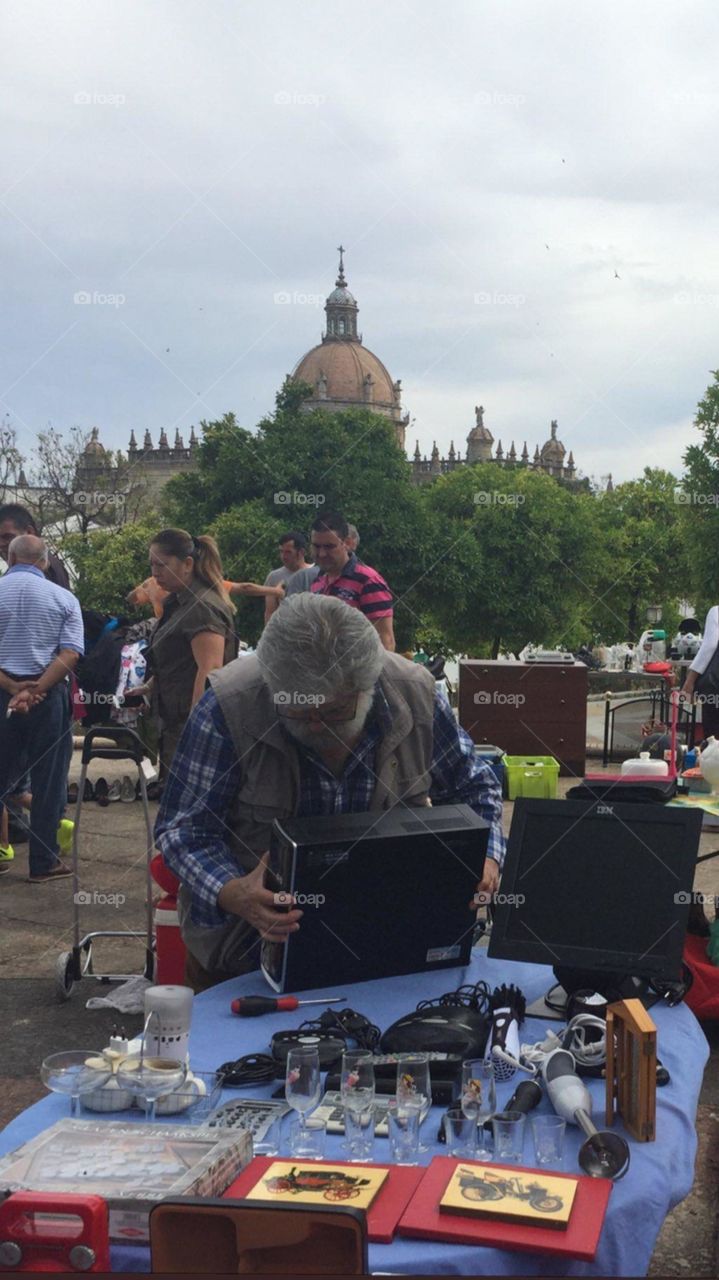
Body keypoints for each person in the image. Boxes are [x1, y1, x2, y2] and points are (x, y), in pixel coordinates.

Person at [155, 593, 505, 991]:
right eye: (299, 713)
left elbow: (476, 787)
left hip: (389, 951)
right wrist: (233, 892)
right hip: (244, 958)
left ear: (366, 686)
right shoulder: (228, 704)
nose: (317, 725)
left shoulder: (415, 694)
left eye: (336, 711)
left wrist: (487, 859)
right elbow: (183, 830)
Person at [0, 535, 83, 883]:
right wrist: (38, 688)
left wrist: (13, 688)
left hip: (2, 694)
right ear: (45, 562)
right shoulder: (64, 598)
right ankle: (44, 862)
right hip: (48, 698)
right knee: (48, 781)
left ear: (10, 556)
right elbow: (70, 654)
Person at [139, 529, 237, 781]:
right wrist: (150, 686)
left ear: (188, 564)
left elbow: (210, 670)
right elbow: (179, 658)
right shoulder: (179, 601)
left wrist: (197, 729)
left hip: (194, 725)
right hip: (174, 722)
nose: (155, 572)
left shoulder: (201, 606)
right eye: (152, 564)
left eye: (162, 564)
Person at [310, 512, 395, 651]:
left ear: (347, 543)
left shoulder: (368, 581)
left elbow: (386, 641)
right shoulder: (317, 581)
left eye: (329, 546)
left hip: (359, 669)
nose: (321, 554)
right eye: (316, 546)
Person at [127, 574, 285, 619]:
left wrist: (276, 592)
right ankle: (275, 591)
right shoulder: (155, 582)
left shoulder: (153, 588)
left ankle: (276, 591)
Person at [0, 504, 72, 590]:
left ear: (29, 532)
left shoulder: (38, 568)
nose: (1, 544)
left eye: (8, 537)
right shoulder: (41, 564)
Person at [681, 604, 719, 737]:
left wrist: (690, 680)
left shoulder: (716, 612)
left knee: (713, 737)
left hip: (715, 689)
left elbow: (710, 645)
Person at [263, 532, 310, 624]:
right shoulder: (274, 576)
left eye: (288, 552)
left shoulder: (316, 573)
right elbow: (270, 612)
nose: (283, 556)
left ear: (301, 552)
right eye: (281, 551)